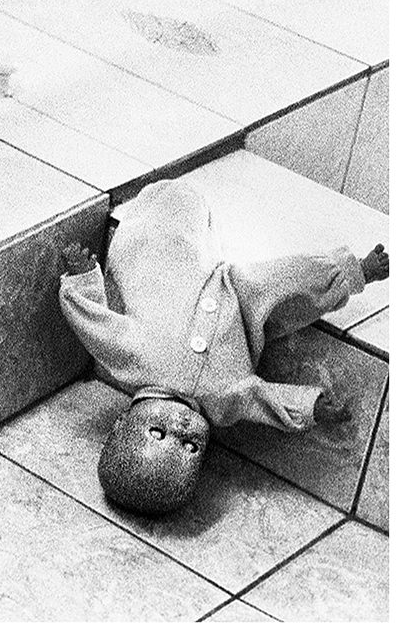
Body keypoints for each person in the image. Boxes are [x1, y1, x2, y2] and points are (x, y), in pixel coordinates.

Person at [57, 177, 387, 517]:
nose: (181, 432)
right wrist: (311, 406)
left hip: (166, 263)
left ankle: (165, 203)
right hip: (237, 300)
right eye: (190, 447)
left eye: (158, 432)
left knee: (160, 229)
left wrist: (82, 279)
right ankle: (353, 272)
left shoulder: (132, 361)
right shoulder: (223, 402)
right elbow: (263, 399)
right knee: (280, 280)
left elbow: (93, 324)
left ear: (122, 422)